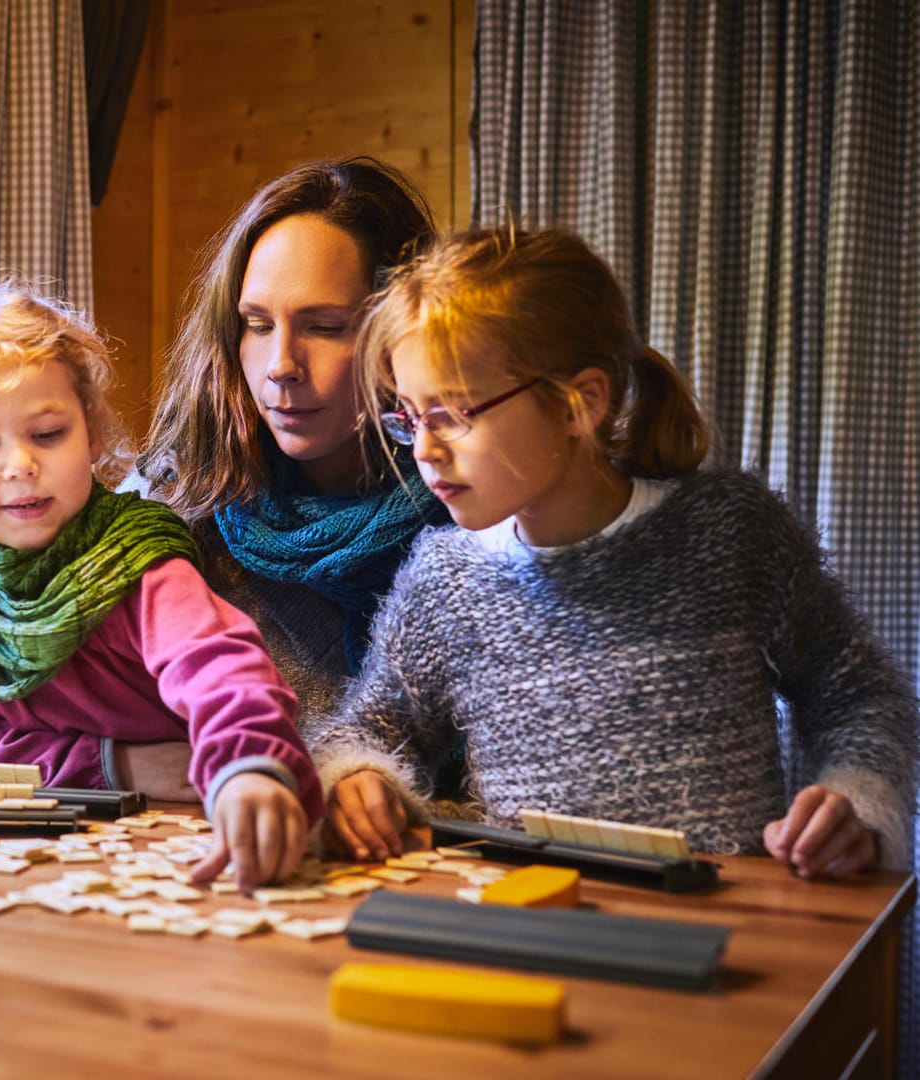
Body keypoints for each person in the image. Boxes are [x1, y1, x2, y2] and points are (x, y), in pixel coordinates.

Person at [313, 226, 916, 876]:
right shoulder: (442, 578)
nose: (424, 450)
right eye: (409, 416)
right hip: (536, 927)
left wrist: (856, 798)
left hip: (728, 933)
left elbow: (858, 697)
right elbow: (365, 730)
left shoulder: (732, 534)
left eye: (453, 415)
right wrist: (354, 780)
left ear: (581, 404)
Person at [0, 276, 324, 890]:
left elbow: (219, 665)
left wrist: (250, 764)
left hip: (176, 835)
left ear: (93, 435)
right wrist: (120, 764)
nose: (20, 464)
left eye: (48, 434)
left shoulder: (133, 552)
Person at [131, 156, 453, 804]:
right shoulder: (175, 507)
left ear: (402, 333)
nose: (281, 365)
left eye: (324, 327)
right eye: (256, 325)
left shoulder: (471, 517)